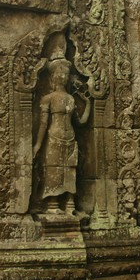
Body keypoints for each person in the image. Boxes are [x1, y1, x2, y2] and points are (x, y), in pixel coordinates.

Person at [33, 58, 90, 215]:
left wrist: (88, 104)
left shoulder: (71, 99)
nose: (63, 77)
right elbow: (44, 124)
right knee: (54, 169)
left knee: (70, 170)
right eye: (60, 73)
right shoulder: (48, 99)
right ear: (53, 76)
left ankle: (70, 204)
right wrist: (38, 144)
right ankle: (53, 204)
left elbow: (80, 122)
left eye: (66, 74)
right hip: (54, 137)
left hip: (70, 137)